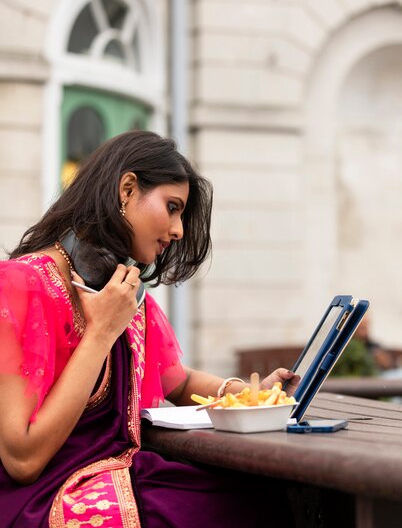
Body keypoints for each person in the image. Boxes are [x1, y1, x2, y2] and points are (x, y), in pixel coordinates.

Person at [0, 130, 300, 528]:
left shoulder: (123, 292)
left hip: (118, 471)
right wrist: (101, 332)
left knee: (263, 496)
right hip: (45, 497)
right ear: (126, 189)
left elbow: (178, 380)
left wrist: (250, 395)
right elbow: (22, 460)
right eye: (172, 207)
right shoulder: (21, 286)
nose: (178, 230)